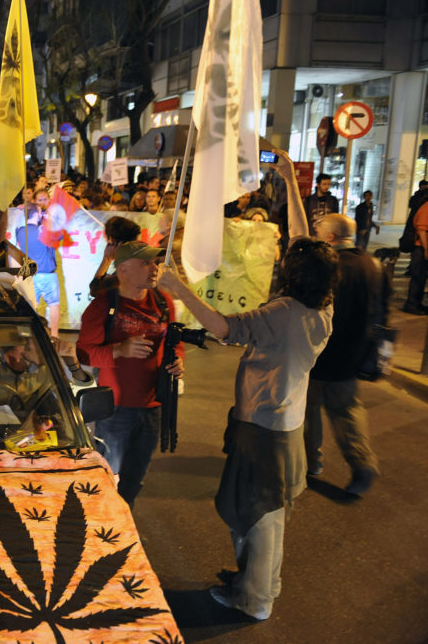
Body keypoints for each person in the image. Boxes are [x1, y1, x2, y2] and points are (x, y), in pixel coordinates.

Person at [158, 237, 335, 621]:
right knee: (273, 514)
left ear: (292, 274)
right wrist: (289, 179)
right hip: (288, 426)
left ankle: (254, 599)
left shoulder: (283, 311)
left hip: (262, 428)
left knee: (257, 517)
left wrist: (177, 288)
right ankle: (263, 586)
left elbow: (225, 328)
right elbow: (308, 242)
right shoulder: (323, 309)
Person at [76, 241, 183, 508]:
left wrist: (178, 360)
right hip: (116, 409)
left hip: (155, 405)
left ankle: (124, 527)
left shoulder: (162, 300)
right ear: (123, 269)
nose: (154, 268)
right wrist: (119, 349)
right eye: (146, 263)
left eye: (155, 263)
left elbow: (175, 340)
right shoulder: (103, 305)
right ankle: (100, 529)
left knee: (135, 478)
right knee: (107, 477)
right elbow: (84, 354)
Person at [304, 214, 384, 495]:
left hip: (320, 353)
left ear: (331, 238)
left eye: (319, 230)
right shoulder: (371, 264)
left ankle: (310, 462)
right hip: (353, 354)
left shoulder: (328, 266)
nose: (315, 233)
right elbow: (381, 309)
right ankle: (363, 464)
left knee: (307, 411)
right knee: (347, 411)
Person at [15, 207, 60, 338]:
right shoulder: (44, 231)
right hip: (47, 274)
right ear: (36, 214)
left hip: (29, 274)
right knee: (53, 304)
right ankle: (54, 335)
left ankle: (29, 335)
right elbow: (59, 235)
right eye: (40, 212)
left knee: (31, 305)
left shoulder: (20, 231)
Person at [88, 216, 142, 298]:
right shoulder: (142, 263)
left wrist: (106, 259)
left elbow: (95, 291)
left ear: (111, 240)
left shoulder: (124, 271)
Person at [402, 193, 428, 315]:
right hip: (420, 248)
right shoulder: (426, 207)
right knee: (418, 278)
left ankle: (417, 303)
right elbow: (421, 229)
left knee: (421, 278)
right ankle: (411, 304)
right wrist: (426, 248)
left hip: (422, 248)